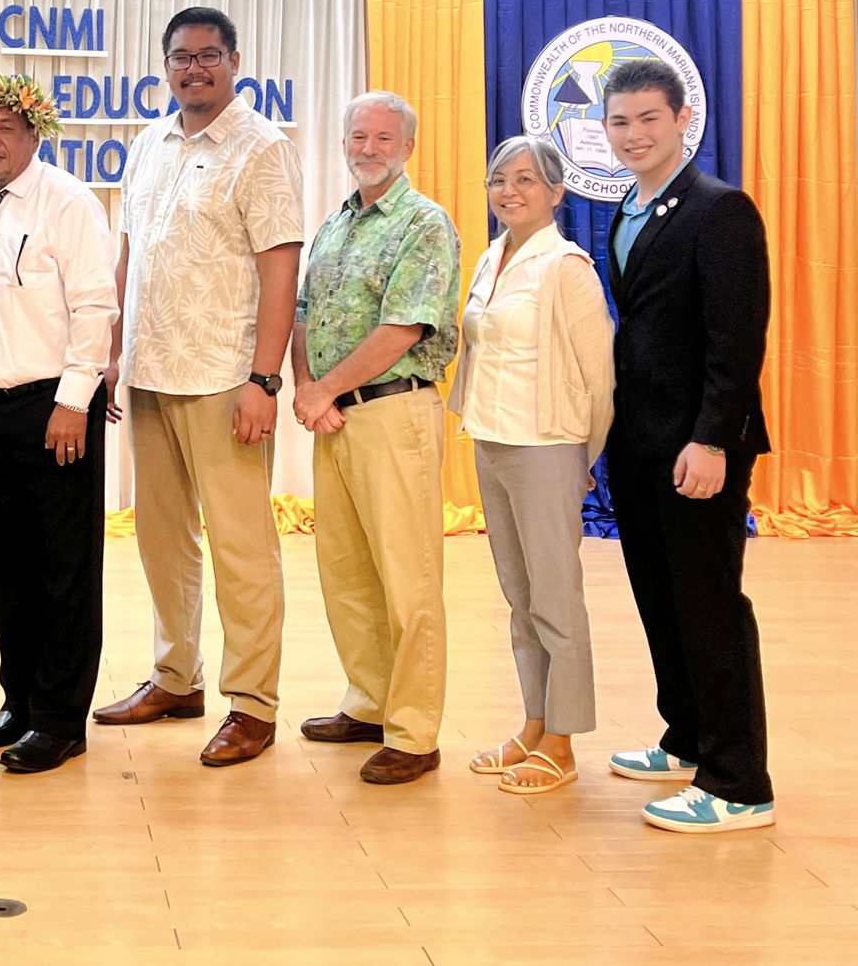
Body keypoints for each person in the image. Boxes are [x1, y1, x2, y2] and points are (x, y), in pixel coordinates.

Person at [94, 7, 303, 768]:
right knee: (161, 540)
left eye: (209, 56)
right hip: (150, 376)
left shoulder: (264, 148)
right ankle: (176, 677)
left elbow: (282, 268)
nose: (194, 69)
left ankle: (253, 704)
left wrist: (264, 378)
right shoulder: (148, 143)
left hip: (225, 379)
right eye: (181, 58)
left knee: (243, 548)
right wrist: (114, 352)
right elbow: (131, 256)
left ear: (235, 60)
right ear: (166, 65)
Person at [599, 59, 775, 833]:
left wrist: (713, 440)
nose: (634, 134)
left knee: (708, 605)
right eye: (619, 122)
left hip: (696, 447)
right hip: (639, 443)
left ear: (681, 121)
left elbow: (736, 342)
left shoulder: (719, 209)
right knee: (659, 598)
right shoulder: (629, 208)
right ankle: (687, 736)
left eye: (648, 119)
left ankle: (738, 781)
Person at [0, 73, 117, 774]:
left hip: (57, 407)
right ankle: (19, 700)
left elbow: (97, 306)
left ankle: (60, 719)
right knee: (2, 568)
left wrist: (74, 401)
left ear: (34, 136)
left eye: (4, 129)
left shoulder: (67, 202)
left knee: (63, 569)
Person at [292, 91, 459, 785]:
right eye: (358, 135)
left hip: (395, 415)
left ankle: (415, 731)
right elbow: (302, 313)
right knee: (347, 572)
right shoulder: (335, 224)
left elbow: (405, 328)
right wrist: (310, 391)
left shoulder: (425, 224)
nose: (368, 147)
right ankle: (369, 703)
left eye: (382, 137)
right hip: (333, 418)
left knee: (407, 577)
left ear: (407, 147)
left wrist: (324, 390)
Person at [447, 136, 613, 795]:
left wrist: (582, 457)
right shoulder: (492, 257)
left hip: (547, 448)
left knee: (556, 599)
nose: (509, 190)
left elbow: (599, 377)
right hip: (492, 441)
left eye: (525, 179)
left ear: (555, 192)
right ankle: (535, 722)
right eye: (499, 179)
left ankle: (565, 743)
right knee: (520, 598)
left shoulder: (565, 266)